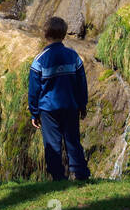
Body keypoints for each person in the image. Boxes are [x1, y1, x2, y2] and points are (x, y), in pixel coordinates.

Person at [28, 16, 90, 182]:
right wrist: (82, 104)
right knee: (73, 141)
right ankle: (80, 174)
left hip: (48, 109)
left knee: (52, 144)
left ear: (45, 35)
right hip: (70, 106)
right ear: (64, 35)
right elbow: (81, 83)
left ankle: (57, 177)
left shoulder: (39, 60)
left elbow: (34, 90)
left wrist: (34, 112)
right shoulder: (73, 56)